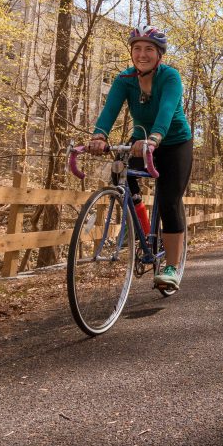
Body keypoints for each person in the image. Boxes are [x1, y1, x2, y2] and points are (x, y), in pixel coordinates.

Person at [87, 26, 193, 290]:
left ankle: (170, 267)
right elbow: (110, 109)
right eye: (137, 48)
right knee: (119, 173)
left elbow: (167, 110)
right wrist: (99, 136)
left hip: (174, 142)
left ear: (159, 55)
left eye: (149, 49)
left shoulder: (170, 77)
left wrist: (155, 139)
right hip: (141, 140)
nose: (142, 54)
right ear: (131, 52)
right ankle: (144, 232)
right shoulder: (125, 79)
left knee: (169, 201)